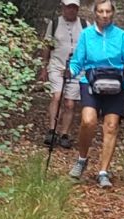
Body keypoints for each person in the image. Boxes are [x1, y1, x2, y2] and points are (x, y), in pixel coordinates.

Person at [66, 0, 124, 188]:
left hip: (116, 84)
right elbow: (77, 61)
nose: (105, 15)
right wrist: (70, 71)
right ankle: (82, 159)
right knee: (88, 121)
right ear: (95, 13)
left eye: (108, 11)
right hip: (90, 82)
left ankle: (103, 172)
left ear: (113, 13)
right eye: (101, 11)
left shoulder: (122, 36)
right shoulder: (86, 35)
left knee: (111, 126)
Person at [38, 0, 87, 149]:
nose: (71, 10)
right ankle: (52, 130)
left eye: (74, 7)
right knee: (56, 96)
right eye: (68, 7)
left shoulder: (85, 25)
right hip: (56, 65)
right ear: (63, 7)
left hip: (77, 69)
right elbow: (47, 45)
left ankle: (65, 134)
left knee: (70, 103)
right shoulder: (54, 23)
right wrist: (44, 67)